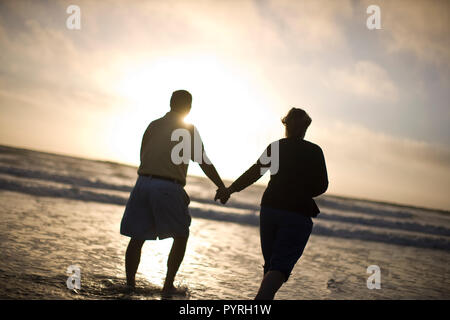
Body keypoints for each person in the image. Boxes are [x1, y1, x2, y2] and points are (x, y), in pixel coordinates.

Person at [120, 90, 227, 295]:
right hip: (168, 185)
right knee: (181, 235)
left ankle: (130, 285)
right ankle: (168, 285)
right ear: (188, 107)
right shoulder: (189, 129)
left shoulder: (153, 124)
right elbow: (203, 160)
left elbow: (144, 154)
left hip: (143, 182)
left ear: (170, 103)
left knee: (137, 237)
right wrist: (221, 186)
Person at [215, 107, 328, 300]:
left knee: (271, 267)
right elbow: (322, 185)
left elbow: (254, 173)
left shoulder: (276, 147)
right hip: (297, 213)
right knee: (279, 268)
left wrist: (229, 190)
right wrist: (302, 191)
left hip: (270, 209)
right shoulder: (314, 151)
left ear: (286, 124)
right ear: (305, 127)